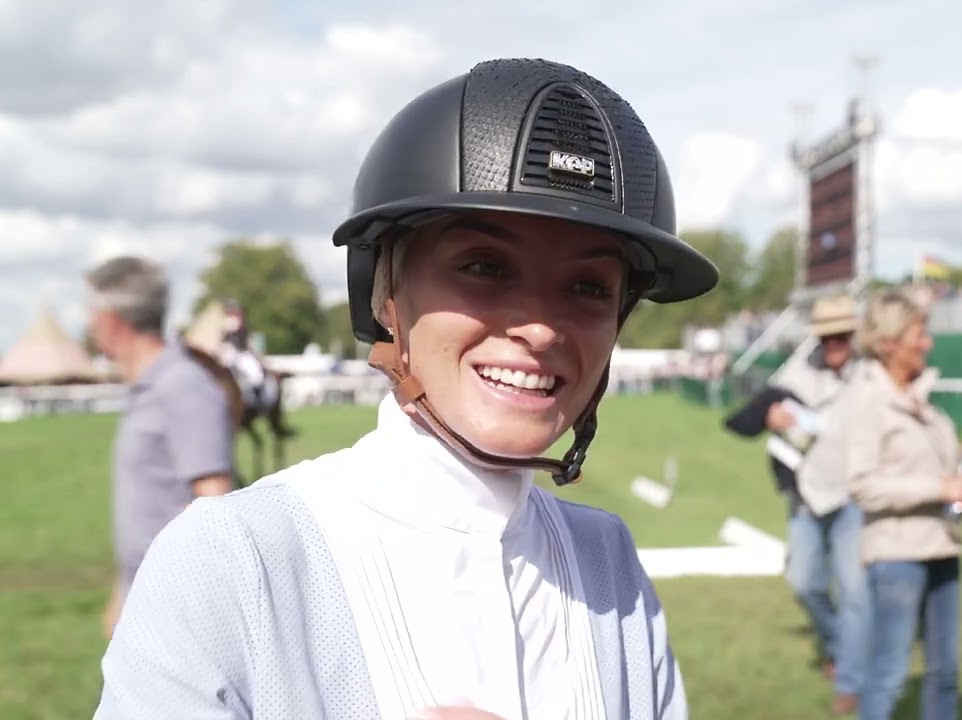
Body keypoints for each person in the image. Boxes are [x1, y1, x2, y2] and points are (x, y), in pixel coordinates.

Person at [93, 57, 719, 720]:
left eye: (589, 286)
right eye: (485, 267)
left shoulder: (609, 565)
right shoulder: (229, 560)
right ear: (385, 291)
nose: (539, 328)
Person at [840, 289, 962, 720]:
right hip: (896, 555)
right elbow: (862, 485)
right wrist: (939, 488)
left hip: (942, 545)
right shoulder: (867, 400)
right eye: (919, 334)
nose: (928, 343)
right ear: (889, 342)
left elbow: (929, 471)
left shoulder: (920, 395)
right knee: (889, 673)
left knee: (945, 672)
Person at [722, 294, 868, 714]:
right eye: (828, 337)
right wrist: (768, 418)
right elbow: (738, 422)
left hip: (854, 498)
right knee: (804, 584)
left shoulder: (869, 376)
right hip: (806, 500)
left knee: (855, 590)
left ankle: (850, 675)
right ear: (818, 339)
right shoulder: (795, 376)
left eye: (843, 335)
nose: (836, 343)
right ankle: (838, 645)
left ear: (852, 336)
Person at [85, 256, 237, 639]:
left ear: (112, 319)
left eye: (91, 312)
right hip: (142, 597)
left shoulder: (182, 385)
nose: (88, 323)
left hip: (174, 613)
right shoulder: (152, 386)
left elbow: (214, 503)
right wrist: (123, 595)